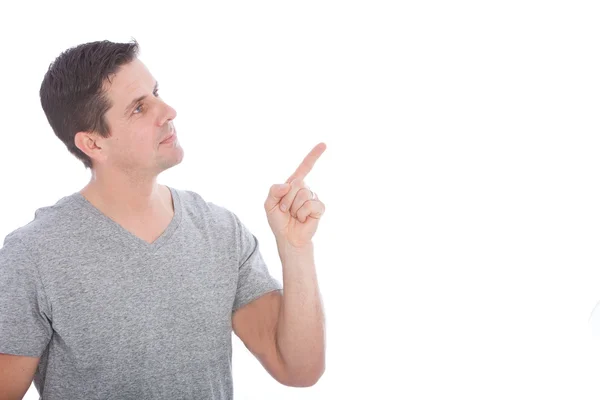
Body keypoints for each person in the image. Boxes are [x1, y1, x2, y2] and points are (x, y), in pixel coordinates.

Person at [0, 39, 327, 400]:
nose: (168, 111)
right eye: (139, 108)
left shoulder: (221, 232)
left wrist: (296, 248)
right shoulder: (33, 254)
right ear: (93, 144)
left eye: (156, 93)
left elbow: (298, 369)